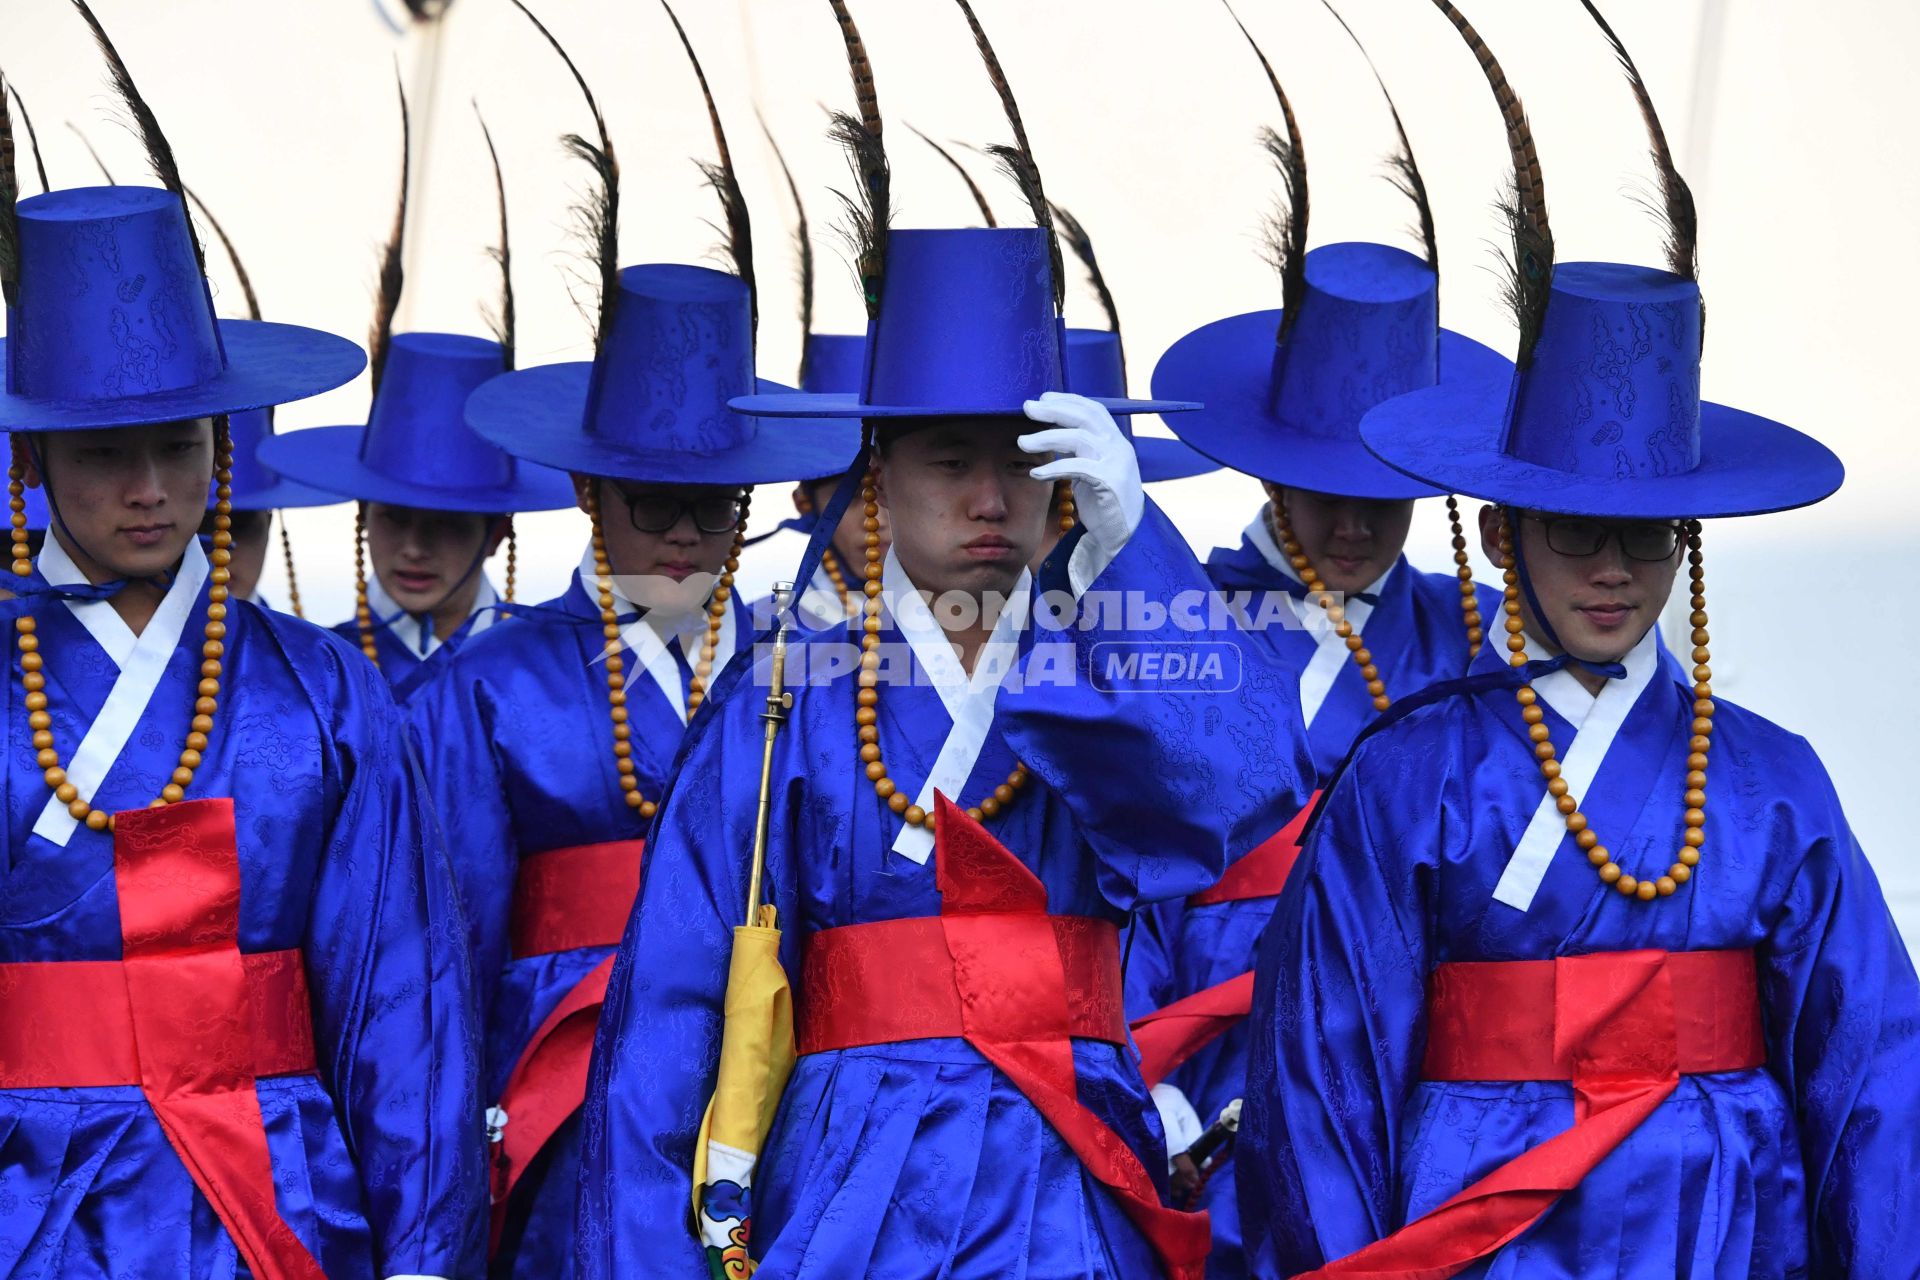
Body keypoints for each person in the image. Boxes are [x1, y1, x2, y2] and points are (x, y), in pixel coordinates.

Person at [574, 7, 1311, 1273]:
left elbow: (1244, 783)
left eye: (1023, 461)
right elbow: (675, 1010)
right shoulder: (780, 697)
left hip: (1069, 1164)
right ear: (877, 468)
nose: (989, 497)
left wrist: (1132, 549)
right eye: (950, 458)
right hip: (846, 1181)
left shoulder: (1108, 655)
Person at [1240, 5, 1920, 1276]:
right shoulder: (1408, 775)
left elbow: (1875, 1068)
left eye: (1650, 534)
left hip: (1724, 1224)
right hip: (1476, 1228)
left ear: (1692, 539)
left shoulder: (1776, 781)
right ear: (1501, 535)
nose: (1613, 568)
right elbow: (1322, 1077)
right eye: (1573, 531)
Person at [0, 13, 485, 1277]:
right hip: (27, 1194)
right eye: (108, 451)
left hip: (277, 1190)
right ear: (31, 456)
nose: (152, 485)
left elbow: (398, 984)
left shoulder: (320, 687)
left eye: (183, 443)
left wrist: (425, 1246)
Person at [406, 8, 862, 1276]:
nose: (676, 531)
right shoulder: (480, 691)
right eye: (643, 500)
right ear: (586, 494)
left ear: (750, 505)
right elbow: (442, 956)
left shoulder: (815, 672)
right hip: (557, 1092)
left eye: (707, 504)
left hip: (777, 1074)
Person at [1132, 8, 1506, 1271]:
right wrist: (1158, 1087)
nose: (1353, 520)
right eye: (1324, 484)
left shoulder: (1485, 645)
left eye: (1384, 489)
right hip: (1199, 1076)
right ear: (1270, 466)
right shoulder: (1174, 623)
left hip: (1416, 1090)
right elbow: (1112, 881)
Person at [261, 88, 573, 692]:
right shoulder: (310, 676)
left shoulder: (555, 677)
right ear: (362, 518)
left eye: (449, 523)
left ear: (497, 532)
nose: (414, 548)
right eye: (394, 519)